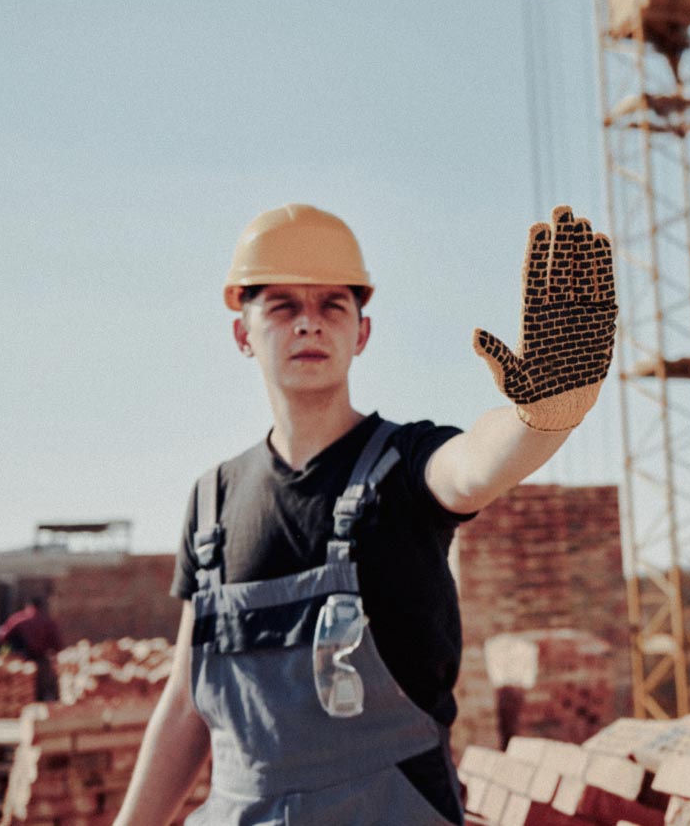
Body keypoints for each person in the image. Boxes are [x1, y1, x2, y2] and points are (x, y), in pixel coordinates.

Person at [114, 203, 616, 825]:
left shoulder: (404, 469)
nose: (309, 324)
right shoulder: (211, 502)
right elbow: (186, 704)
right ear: (243, 333)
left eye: (332, 306)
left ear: (362, 332)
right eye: (282, 306)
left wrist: (541, 417)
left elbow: (476, 464)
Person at [0, 596, 63, 701]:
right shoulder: (47, 621)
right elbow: (57, 644)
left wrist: (9, 651)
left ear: (27, 606)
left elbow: (1, 636)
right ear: (41, 607)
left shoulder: (17, 619)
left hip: (22, 657)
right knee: (44, 684)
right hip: (40, 657)